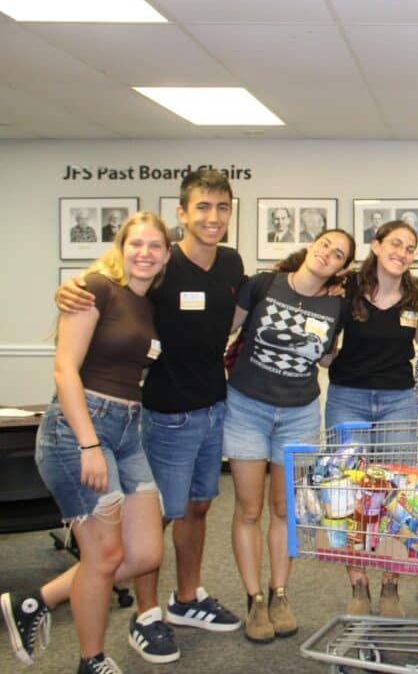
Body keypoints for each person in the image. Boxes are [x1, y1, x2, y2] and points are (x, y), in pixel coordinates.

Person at [50, 171, 245, 664]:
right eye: (203, 207)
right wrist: (69, 290)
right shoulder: (161, 265)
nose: (213, 217)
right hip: (160, 414)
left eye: (222, 207)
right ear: (182, 212)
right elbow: (112, 292)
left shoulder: (231, 263)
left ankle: (187, 597)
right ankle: (146, 613)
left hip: (211, 406)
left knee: (198, 508)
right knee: (155, 521)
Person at [2, 212, 171, 674]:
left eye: (155, 246)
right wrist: (87, 445)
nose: (144, 253)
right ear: (121, 246)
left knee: (145, 553)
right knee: (104, 556)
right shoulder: (95, 288)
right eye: (136, 243)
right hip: (80, 430)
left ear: (166, 255)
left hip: (127, 431)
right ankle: (91, 660)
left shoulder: (147, 304)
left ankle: (36, 601)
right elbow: (64, 370)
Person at [225, 228, 354, 643]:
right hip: (246, 407)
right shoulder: (264, 284)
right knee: (248, 509)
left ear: (342, 268)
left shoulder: (337, 305)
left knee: (284, 510)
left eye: (338, 255)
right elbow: (223, 329)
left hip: (299, 413)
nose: (328, 255)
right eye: (325, 246)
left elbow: (330, 353)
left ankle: (280, 594)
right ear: (310, 246)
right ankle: (254, 599)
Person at [323, 220, 418, 619]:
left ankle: (390, 584)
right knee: (348, 494)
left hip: (397, 403)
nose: (402, 252)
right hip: (347, 399)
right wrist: (324, 357)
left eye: (410, 247)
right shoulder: (347, 286)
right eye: (396, 243)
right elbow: (323, 333)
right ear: (376, 245)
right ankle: (359, 585)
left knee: (395, 495)